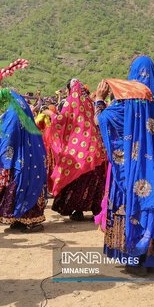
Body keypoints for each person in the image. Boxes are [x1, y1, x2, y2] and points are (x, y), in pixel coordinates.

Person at [96, 56, 154, 275]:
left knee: (134, 203)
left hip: (136, 168)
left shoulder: (129, 99)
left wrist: (99, 100)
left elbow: (102, 121)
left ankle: (135, 257)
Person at [45, 79, 107, 221]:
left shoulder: (71, 100)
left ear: (70, 89)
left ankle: (77, 210)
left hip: (79, 147)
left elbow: (61, 120)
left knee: (75, 176)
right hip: (95, 147)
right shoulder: (90, 102)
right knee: (95, 179)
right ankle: (96, 209)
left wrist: (50, 114)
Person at [0, 90, 47, 233]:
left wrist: (3, 157)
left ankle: (32, 221)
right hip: (30, 157)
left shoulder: (13, 113)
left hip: (20, 159)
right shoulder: (21, 110)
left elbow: (7, 138)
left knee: (21, 185)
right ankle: (19, 219)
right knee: (22, 186)